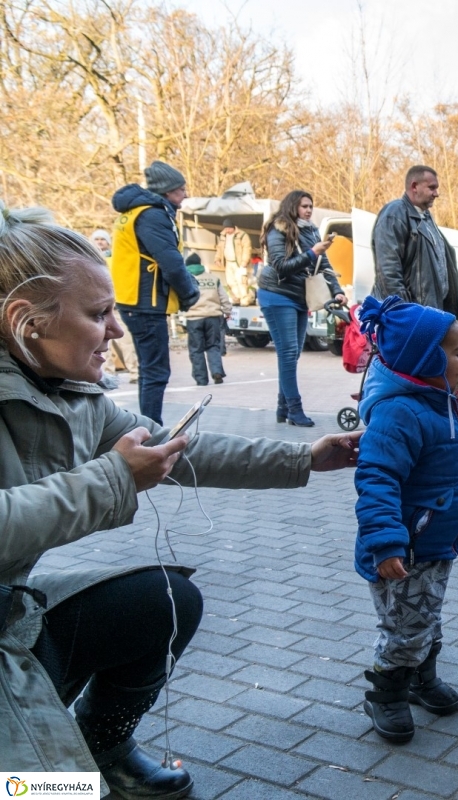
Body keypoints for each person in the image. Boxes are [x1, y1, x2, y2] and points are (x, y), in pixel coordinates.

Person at [0, 202, 363, 798]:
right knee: (43, 791)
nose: (118, 331)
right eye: (100, 314)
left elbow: (175, 447)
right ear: (27, 321)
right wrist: (114, 479)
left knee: (165, 599)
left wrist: (306, 458)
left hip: (10, 616)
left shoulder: (74, 395)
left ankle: (104, 748)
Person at [352, 296, 458, 745]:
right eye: (457, 352)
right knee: (405, 625)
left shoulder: (453, 405)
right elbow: (377, 478)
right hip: (403, 550)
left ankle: (421, 677)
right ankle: (387, 694)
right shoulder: (400, 413)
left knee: (425, 617)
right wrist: (386, 541)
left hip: (435, 543)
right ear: (424, 360)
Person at [111, 160, 200, 424]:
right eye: (181, 189)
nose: (185, 194)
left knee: (150, 370)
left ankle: (148, 427)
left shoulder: (137, 212)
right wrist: (189, 293)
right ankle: (151, 431)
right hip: (145, 302)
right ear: (168, 190)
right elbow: (170, 262)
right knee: (156, 371)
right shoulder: (152, 214)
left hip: (133, 299)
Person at [258, 190, 346, 427]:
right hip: (276, 294)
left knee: (293, 355)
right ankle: (294, 410)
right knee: (288, 353)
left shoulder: (312, 230)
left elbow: (323, 264)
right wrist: (311, 253)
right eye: (304, 206)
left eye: (311, 206)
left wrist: (337, 290)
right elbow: (280, 266)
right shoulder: (278, 229)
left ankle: (282, 408)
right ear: (292, 206)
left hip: (299, 296)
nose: (308, 210)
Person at [371, 165, 458, 318]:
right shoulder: (395, 214)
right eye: (432, 188)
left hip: (426, 314)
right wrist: (402, 310)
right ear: (414, 186)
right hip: (407, 317)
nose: (436, 194)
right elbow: (388, 270)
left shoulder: (426, 218)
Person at [90, 229, 140, 386]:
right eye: (96, 239)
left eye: (102, 239)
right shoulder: (88, 261)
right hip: (97, 309)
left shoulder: (117, 260)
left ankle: (135, 372)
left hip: (117, 307)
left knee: (126, 341)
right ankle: (107, 374)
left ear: (108, 242)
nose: (99, 242)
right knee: (103, 344)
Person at [182, 253, 232, 386]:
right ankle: (217, 372)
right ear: (200, 264)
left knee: (196, 349)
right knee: (213, 346)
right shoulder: (213, 278)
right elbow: (224, 298)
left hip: (194, 318)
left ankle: (201, 379)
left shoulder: (185, 279)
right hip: (213, 317)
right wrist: (227, 312)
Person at [214, 218, 254, 306]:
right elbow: (220, 248)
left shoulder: (243, 235)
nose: (227, 230)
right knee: (231, 282)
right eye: (226, 228)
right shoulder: (223, 236)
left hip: (239, 262)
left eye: (228, 228)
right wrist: (217, 258)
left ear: (233, 227)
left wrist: (244, 261)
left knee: (241, 281)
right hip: (228, 262)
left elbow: (247, 248)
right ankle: (237, 298)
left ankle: (245, 300)